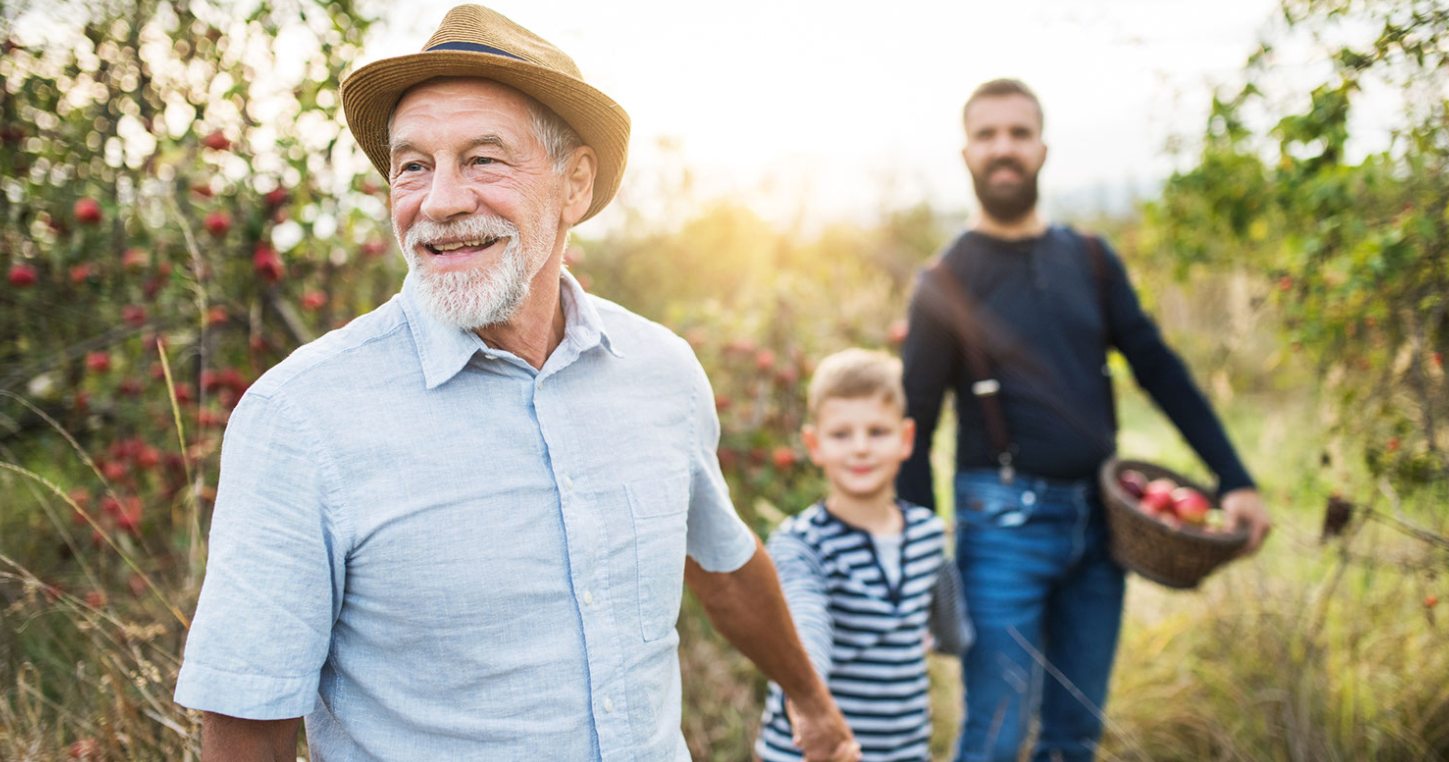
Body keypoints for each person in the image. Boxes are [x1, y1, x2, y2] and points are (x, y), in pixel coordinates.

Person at [172, 6, 858, 761]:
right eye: (412, 166)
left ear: (575, 185)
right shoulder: (299, 419)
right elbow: (246, 726)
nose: (439, 202)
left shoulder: (660, 371)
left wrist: (811, 702)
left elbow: (722, 563)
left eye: (482, 160)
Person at [895, 79, 1273, 762]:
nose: (1002, 148)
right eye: (987, 135)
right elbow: (912, 429)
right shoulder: (943, 282)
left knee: (1073, 738)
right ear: (965, 152)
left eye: (1017, 133)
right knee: (996, 735)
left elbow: (1161, 370)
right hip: (1001, 530)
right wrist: (922, 564)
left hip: (1105, 527)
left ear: (1042, 148)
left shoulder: (1091, 260)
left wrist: (1235, 478)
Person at [757, 348, 973, 762]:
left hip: (903, 750)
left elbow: (951, 623)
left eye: (877, 432)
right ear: (814, 444)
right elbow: (806, 622)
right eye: (841, 435)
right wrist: (808, 703)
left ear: (906, 439)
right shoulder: (800, 543)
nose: (860, 448)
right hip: (813, 751)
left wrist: (947, 639)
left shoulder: (928, 534)